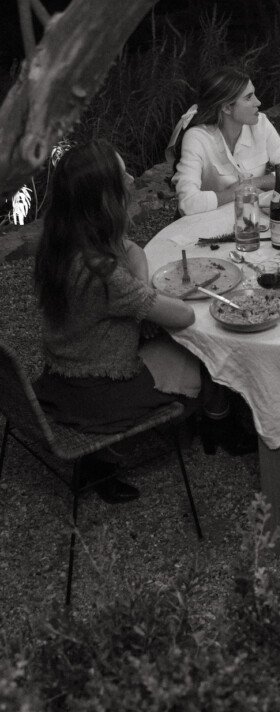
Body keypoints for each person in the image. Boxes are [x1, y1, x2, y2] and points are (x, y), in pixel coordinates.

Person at [33, 140, 197, 502]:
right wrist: (141, 292)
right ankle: (112, 454)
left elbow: (131, 248)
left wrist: (136, 287)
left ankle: (103, 458)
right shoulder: (102, 272)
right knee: (201, 362)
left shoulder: (61, 243)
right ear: (104, 197)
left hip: (61, 377)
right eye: (122, 174)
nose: (132, 178)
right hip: (98, 395)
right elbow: (184, 315)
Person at [170, 66, 280, 215]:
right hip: (208, 225)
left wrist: (252, 183)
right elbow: (188, 203)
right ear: (227, 108)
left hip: (251, 219)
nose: (258, 102)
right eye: (248, 97)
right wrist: (236, 192)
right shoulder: (197, 138)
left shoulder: (261, 124)